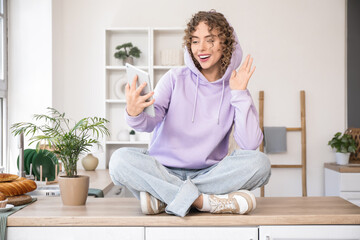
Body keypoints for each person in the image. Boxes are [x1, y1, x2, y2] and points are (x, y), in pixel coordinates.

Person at [109, 10, 271, 217]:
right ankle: (205, 202)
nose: (201, 48)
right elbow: (150, 122)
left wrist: (240, 94)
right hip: (163, 169)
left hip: (210, 173)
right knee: (119, 160)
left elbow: (250, 145)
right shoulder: (174, 78)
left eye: (210, 40)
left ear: (226, 44)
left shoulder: (235, 88)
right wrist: (134, 113)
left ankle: (164, 198)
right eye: (195, 41)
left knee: (260, 164)